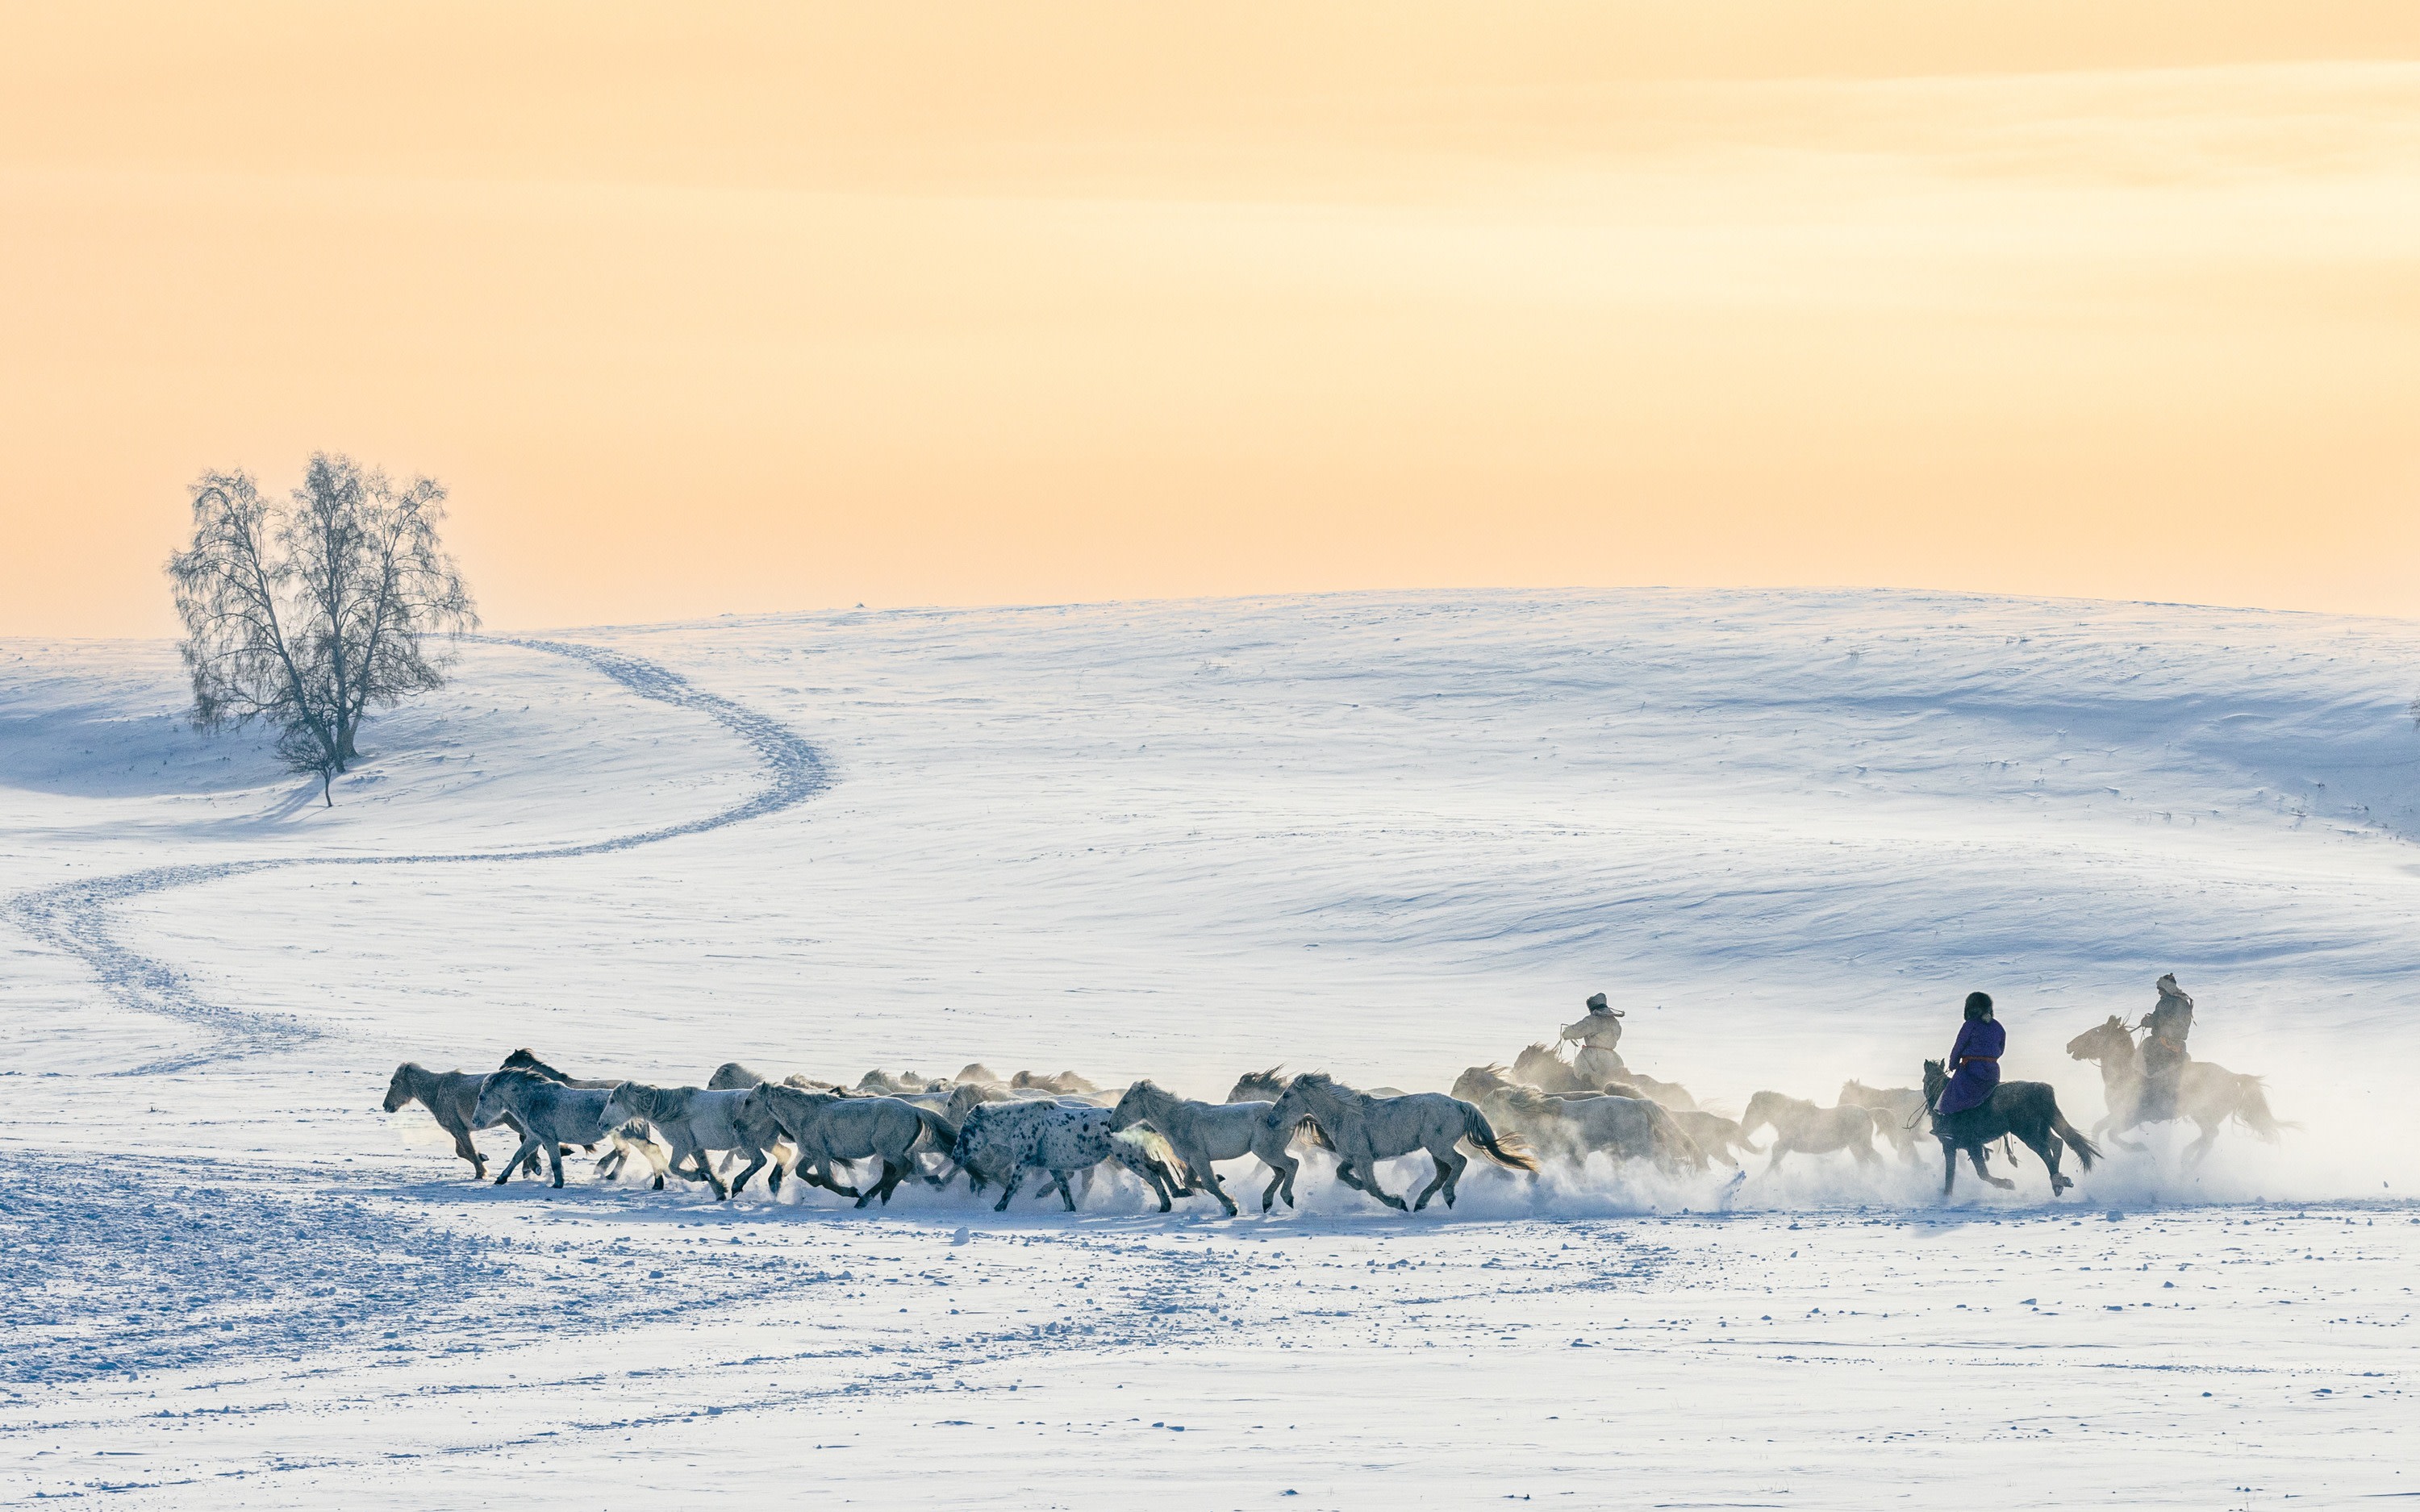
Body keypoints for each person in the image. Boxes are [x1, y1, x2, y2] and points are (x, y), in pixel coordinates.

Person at [1933, 991, 2004, 1117]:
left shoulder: (1970, 1025)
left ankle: (1949, 1127)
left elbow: (1959, 1046)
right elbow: (2001, 1050)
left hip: (1973, 1071)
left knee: (1951, 1094)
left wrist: (1953, 1064)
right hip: (1993, 1072)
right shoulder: (1998, 1026)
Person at [2138, 973, 2194, 1122]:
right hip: (2180, 1045)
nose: (2158, 992)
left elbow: (2159, 1020)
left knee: (2144, 1053)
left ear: (2165, 988)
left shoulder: (2166, 1002)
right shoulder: (2183, 1001)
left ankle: (2147, 1094)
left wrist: (2147, 1021)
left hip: (2164, 1043)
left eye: (2160, 988)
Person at [1559, 992, 1628, 1082]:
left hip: (1594, 1057)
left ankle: (1587, 1084)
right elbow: (1617, 1036)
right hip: (1613, 1057)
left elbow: (1577, 1031)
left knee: (1581, 1068)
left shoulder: (1592, 1020)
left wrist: (1567, 1032)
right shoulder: (1615, 1022)